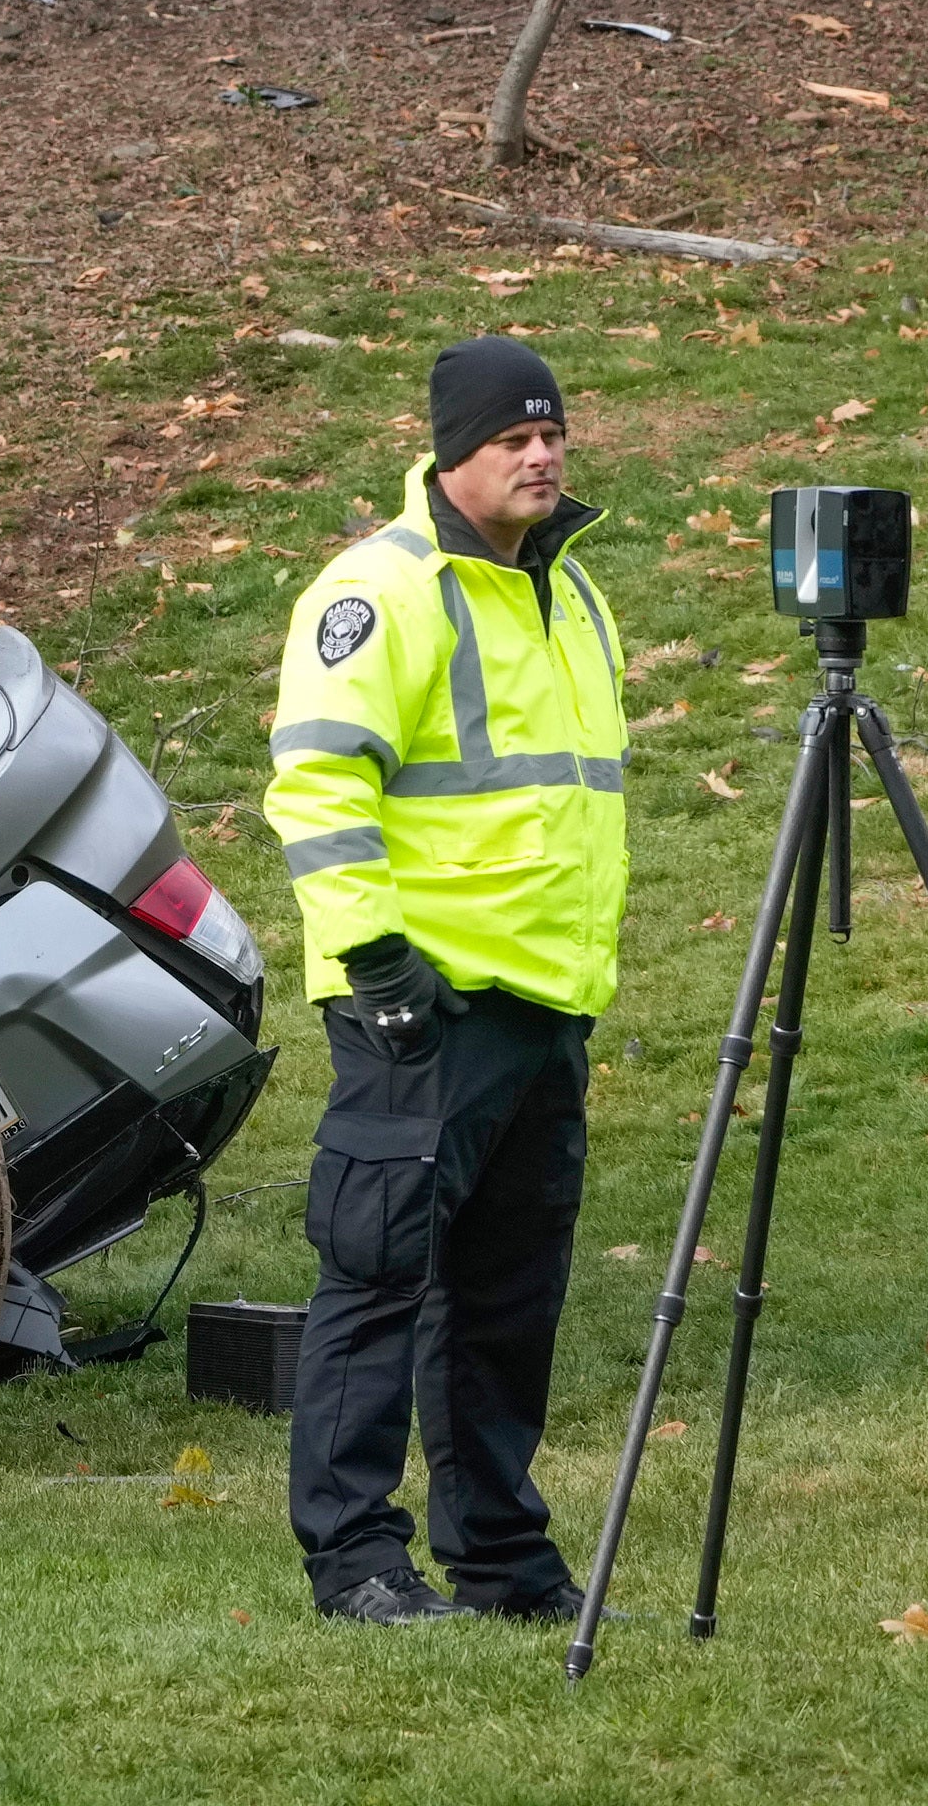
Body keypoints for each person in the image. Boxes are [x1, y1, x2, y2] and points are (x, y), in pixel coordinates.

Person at [265, 336, 631, 1627]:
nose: (540, 455)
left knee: (506, 1303)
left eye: (553, 433)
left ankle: (505, 1566)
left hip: (544, 1002)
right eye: (510, 439)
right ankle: (355, 1560)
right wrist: (373, 960)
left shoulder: (571, 591)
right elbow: (316, 780)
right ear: (450, 451)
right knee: (376, 1281)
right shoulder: (380, 589)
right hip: (419, 1005)